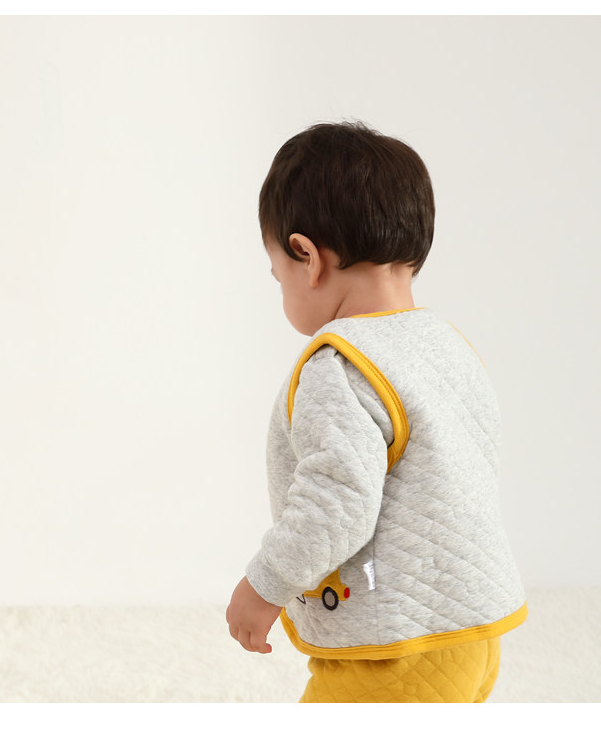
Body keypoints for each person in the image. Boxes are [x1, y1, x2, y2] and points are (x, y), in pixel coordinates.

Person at [226, 121, 527, 702]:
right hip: (472, 634)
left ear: (306, 257)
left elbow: (336, 501)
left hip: (396, 650)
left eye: (278, 276)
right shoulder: (446, 346)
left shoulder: (340, 366)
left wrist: (265, 585)